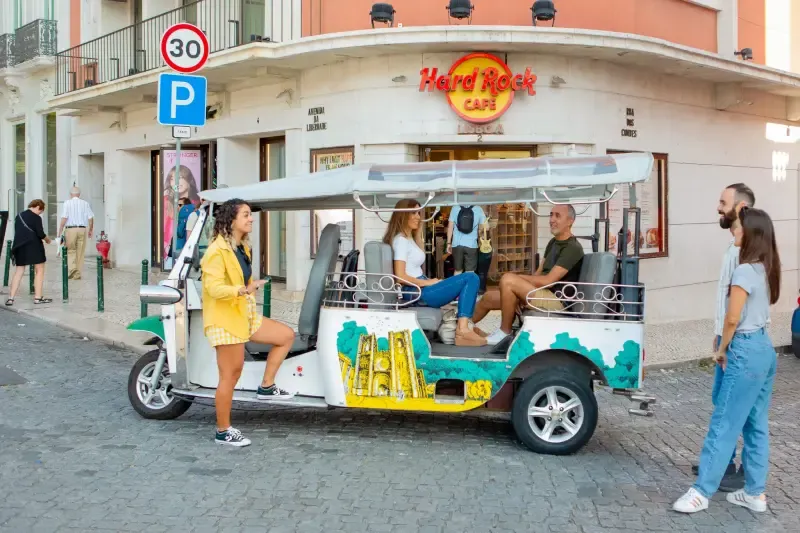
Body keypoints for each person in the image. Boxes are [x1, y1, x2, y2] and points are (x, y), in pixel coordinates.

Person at [672, 207, 780, 514]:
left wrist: (721, 349)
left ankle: (700, 493)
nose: (734, 229)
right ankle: (755, 494)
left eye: (739, 226)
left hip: (744, 349)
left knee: (724, 423)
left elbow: (733, 318)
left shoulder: (745, 270)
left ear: (751, 233)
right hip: (764, 349)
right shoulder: (765, 268)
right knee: (755, 423)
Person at [201, 199, 296, 447]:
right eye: (245, 215)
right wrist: (243, 290)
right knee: (230, 375)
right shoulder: (216, 251)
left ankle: (266, 386)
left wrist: (247, 292)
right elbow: (212, 288)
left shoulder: (242, 247)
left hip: (245, 315)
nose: (251, 218)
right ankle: (223, 430)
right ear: (231, 220)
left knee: (285, 336)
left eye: (250, 215)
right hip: (225, 320)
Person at [688, 183, 756, 491]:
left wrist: (726, 344)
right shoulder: (733, 247)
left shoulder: (745, 250)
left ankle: (728, 469)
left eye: (723, 202)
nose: (718, 207)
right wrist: (718, 336)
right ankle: (722, 462)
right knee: (723, 403)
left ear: (741, 208)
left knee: (732, 407)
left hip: (737, 342)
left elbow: (737, 306)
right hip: (726, 338)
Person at [473, 204, 584, 346]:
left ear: (570, 221)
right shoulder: (553, 243)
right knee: (488, 298)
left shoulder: (572, 248)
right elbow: (538, 274)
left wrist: (516, 281)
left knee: (508, 280)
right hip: (542, 293)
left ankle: (504, 332)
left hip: (556, 300)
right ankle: (462, 328)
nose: (551, 219)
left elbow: (547, 281)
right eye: (551, 215)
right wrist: (519, 292)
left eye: (557, 215)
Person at [385, 199, 486, 347]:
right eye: (413, 213)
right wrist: (427, 282)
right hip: (416, 292)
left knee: (469, 279)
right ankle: (463, 330)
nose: (418, 217)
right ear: (402, 215)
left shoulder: (408, 238)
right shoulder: (401, 240)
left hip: (420, 289)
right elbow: (400, 276)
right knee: (470, 278)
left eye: (419, 213)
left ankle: (467, 326)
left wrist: (418, 233)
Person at [6, 200, 52, 306]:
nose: (40, 213)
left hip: (20, 247)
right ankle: (38, 297)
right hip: (34, 247)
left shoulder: (19, 216)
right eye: (40, 211)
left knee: (19, 271)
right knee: (39, 270)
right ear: (38, 207)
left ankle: (11, 298)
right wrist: (47, 239)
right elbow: (40, 233)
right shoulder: (36, 218)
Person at [57, 187, 94, 280]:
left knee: (70, 250)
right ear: (79, 194)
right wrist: (90, 230)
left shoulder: (67, 203)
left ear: (70, 194)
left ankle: (72, 270)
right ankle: (77, 273)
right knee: (80, 251)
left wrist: (60, 228)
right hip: (82, 229)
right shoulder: (85, 203)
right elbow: (90, 218)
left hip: (71, 229)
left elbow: (64, 217)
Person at [163, 165, 200, 259]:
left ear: (189, 180)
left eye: (180, 178)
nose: (176, 182)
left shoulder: (198, 203)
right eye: (172, 179)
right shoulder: (165, 201)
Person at [446, 205, 487, 275]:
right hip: (472, 245)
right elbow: (486, 227)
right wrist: (480, 232)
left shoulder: (455, 207)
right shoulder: (478, 208)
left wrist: (448, 243)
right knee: (470, 272)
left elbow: (450, 227)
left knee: (458, 271)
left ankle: (458, 286)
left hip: (457, 244)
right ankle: (468, 286)